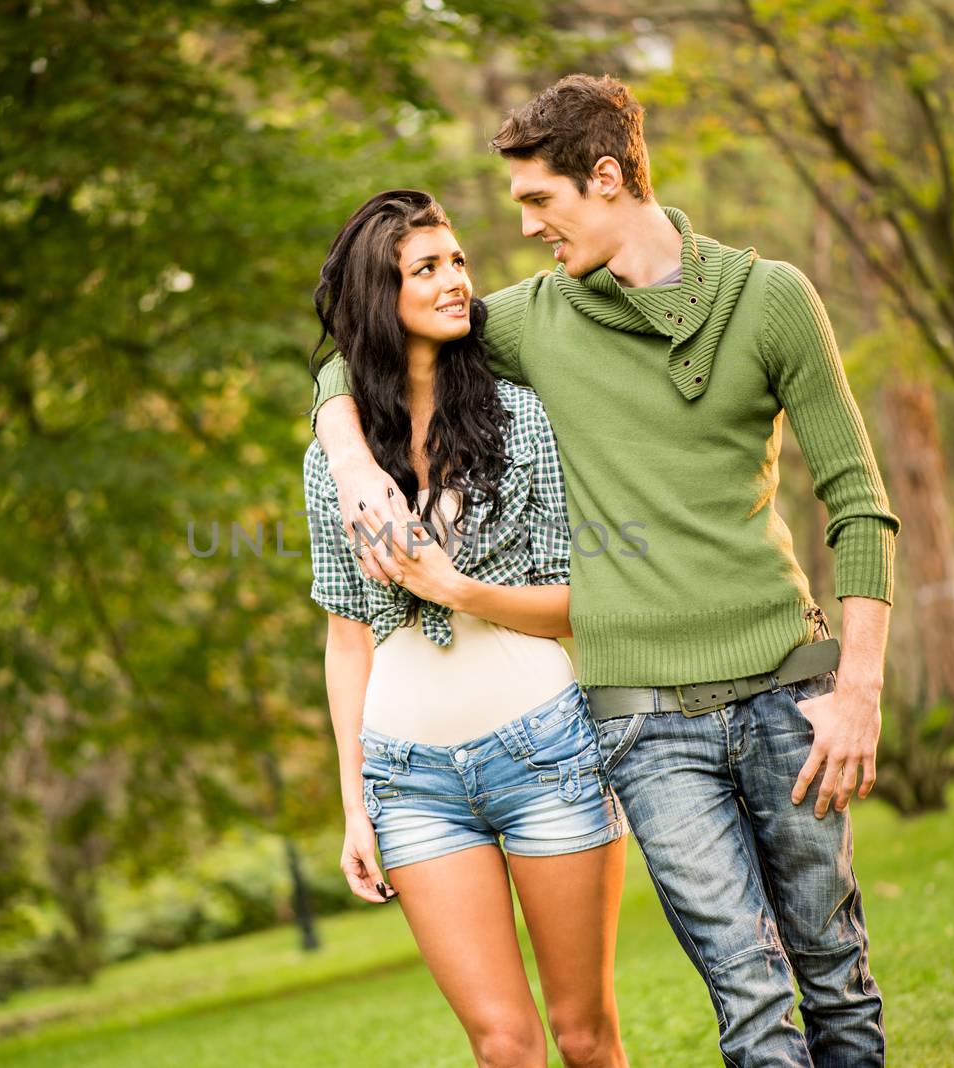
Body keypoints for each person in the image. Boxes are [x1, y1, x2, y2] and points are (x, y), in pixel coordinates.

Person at [310, 76, 897, 1067]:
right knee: (749, 1008)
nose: (527, 228)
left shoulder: (772, 299)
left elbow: (859, 501)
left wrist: (860, 687)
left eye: (539, 200)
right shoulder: (535, 320)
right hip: (640, 718)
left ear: (608, 178)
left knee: (835, 981)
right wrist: (350, 455)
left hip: (787, 686)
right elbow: (366, 339)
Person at [303, 189, 631, 1068]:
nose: (459, 282)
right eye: (428, 268)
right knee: (502, 1047)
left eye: (457, 262)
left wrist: (457, 588)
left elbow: (576, 603)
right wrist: (354, 805)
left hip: (545, 753)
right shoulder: (334, 462)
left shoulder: (519, 419)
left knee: (584, 1036)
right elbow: (346, 639)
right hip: (409, 781)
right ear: (382, 297)